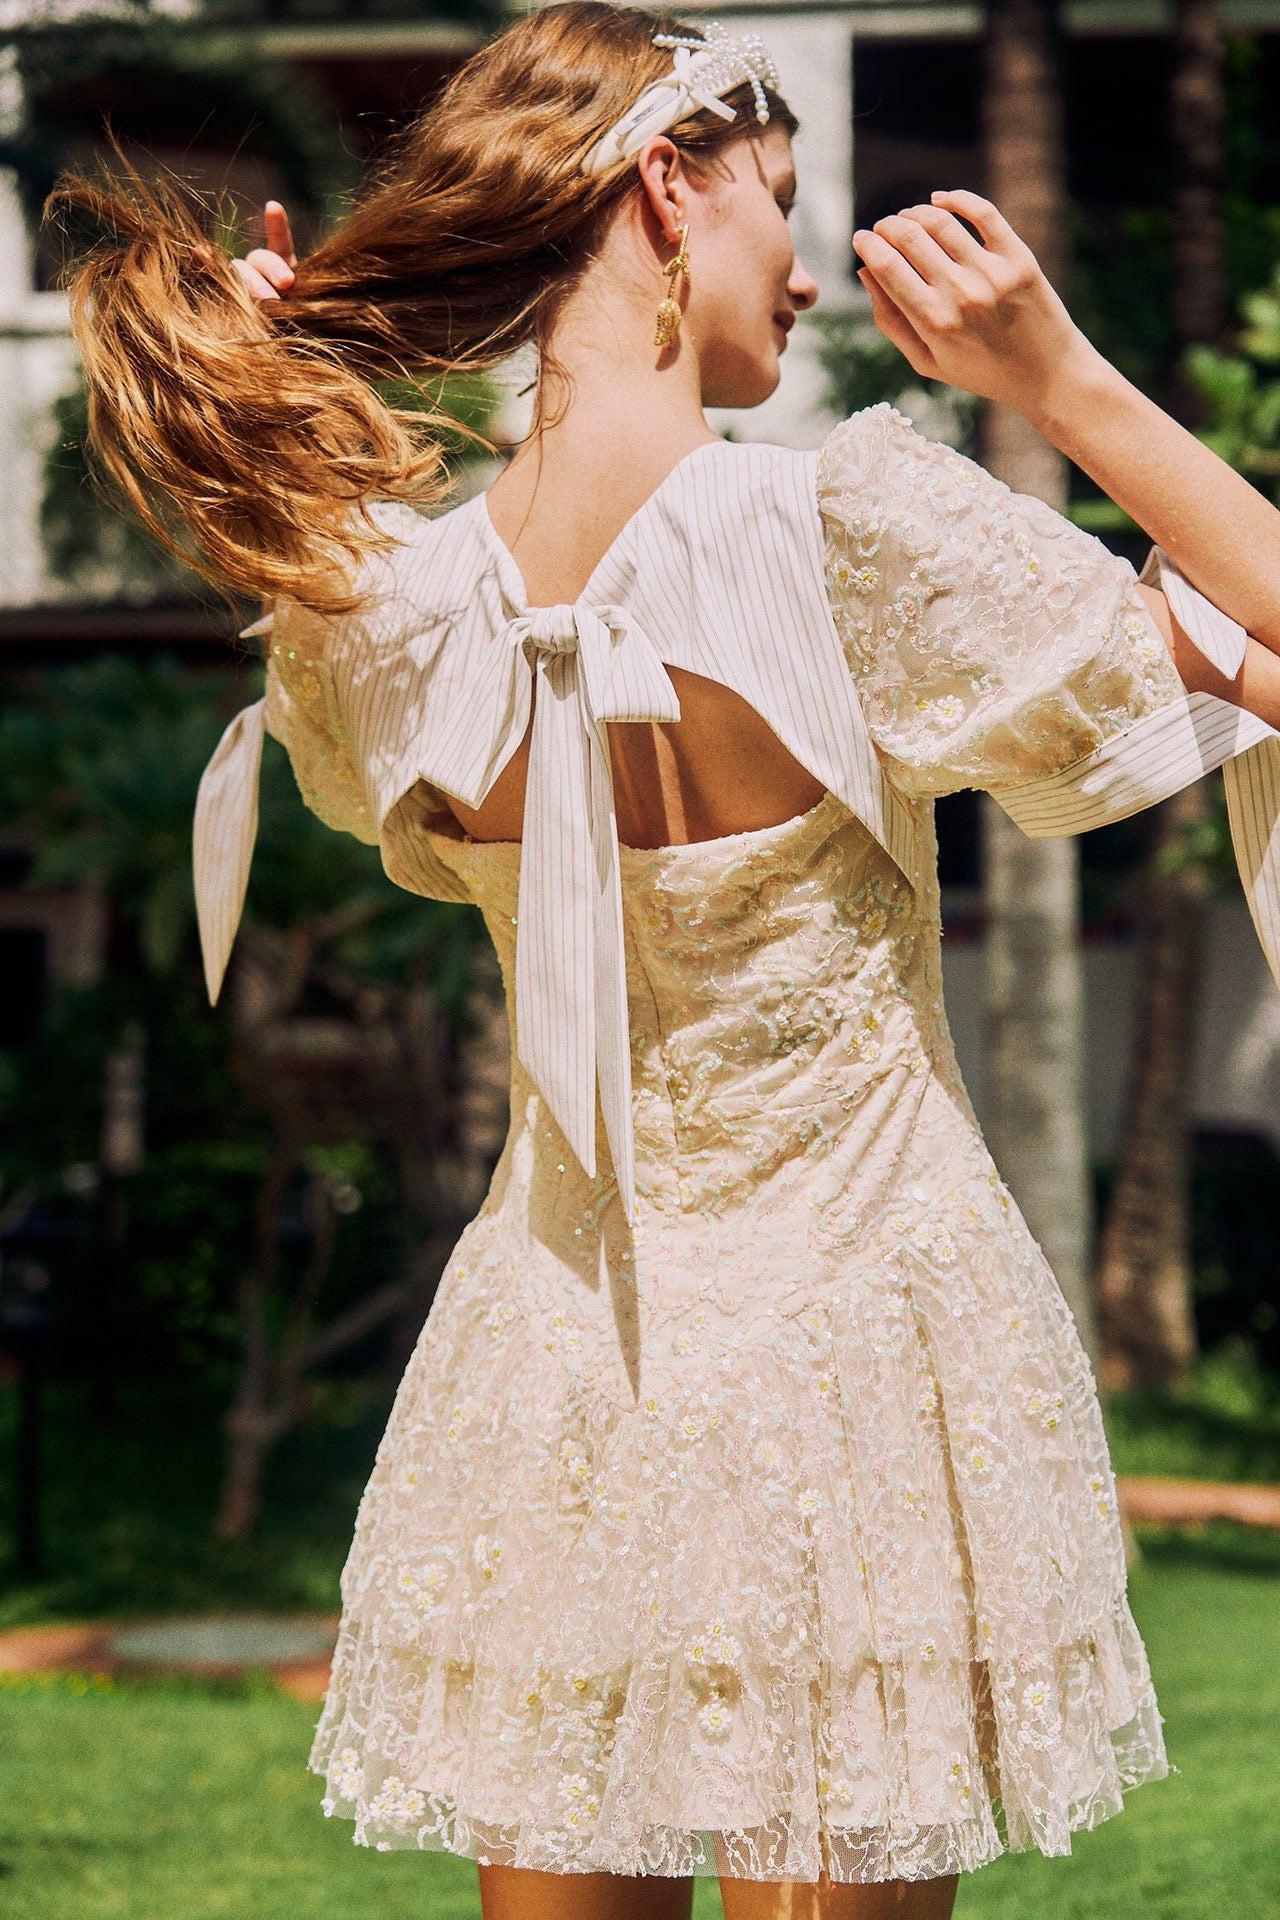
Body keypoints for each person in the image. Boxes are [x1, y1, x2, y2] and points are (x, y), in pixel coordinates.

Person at [48, 6, 1280, 1917]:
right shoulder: (850, 533)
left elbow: (331, 573)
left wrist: (287, 398)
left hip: (555, 1379)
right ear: (660, 192)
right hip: (865, 1366)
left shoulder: (382, 613)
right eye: (776, 202)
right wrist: (1065, 381)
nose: (801, 261)